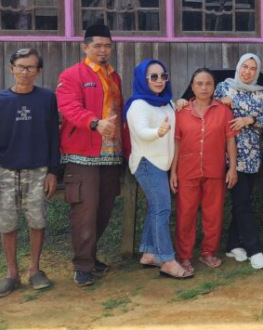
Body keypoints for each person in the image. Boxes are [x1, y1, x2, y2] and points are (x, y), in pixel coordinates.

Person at [57, 24, 125, 286]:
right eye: (97, 45)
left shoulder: (113, 76)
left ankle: (90, 256)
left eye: (107, 45)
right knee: (85, 211)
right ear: (85, 47)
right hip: (82, 153)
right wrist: (96, 123)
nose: (103, 50)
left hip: (110, 154)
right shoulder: (72, 75)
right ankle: (82, 265)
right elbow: (69, 108)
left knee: (104, 209)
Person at [0, 48, 60, 297]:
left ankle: (35, 270)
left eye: (31, 67)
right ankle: (11, 273)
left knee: (37, 220)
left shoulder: (46, 98)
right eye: (21, 67)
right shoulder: (2, 99)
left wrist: (52, 171)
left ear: (39, 72)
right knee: (7, 223)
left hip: (38, 169)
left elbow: (54, 136)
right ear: (11, 68)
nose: (25, 72)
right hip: (5, 170)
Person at [125, 59, 192, 279]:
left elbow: (176, 119)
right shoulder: (137, 105)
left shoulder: (167, 102)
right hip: (146, 162)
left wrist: (181, 103)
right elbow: (142, 131)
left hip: (162, 163)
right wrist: (158, 132)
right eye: (153, 77)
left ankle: (150, 253)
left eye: (163, 75)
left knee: (157, 207)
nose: (160, 80)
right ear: (143, 79)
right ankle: (167, 259)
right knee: (162, 208)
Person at [171, 68, 238, 273]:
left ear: (214, 87)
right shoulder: (181, 112)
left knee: (213, 214)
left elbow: (230, 140)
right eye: (199, 83)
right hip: (187, 171)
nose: (203, 87)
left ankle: (208, 252)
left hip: (214, 170)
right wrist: (173, 172)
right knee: (186, 215)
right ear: (191, 86)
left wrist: (232, 168)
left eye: (208, 83)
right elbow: (176, 143)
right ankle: (184, 256)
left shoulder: (223, 110)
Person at [215, 54, 263, 270]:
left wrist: (252, 120)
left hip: (253, 155)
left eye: (252, 68)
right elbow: (206, 105)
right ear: (238, 68)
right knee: (242, 202)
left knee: (244, 200)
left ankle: (232, 244)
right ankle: (254, 249)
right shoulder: (224, 87)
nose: (247, 72)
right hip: (229, 154)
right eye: (244, 67)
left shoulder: (261, 92)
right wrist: (221, 101)